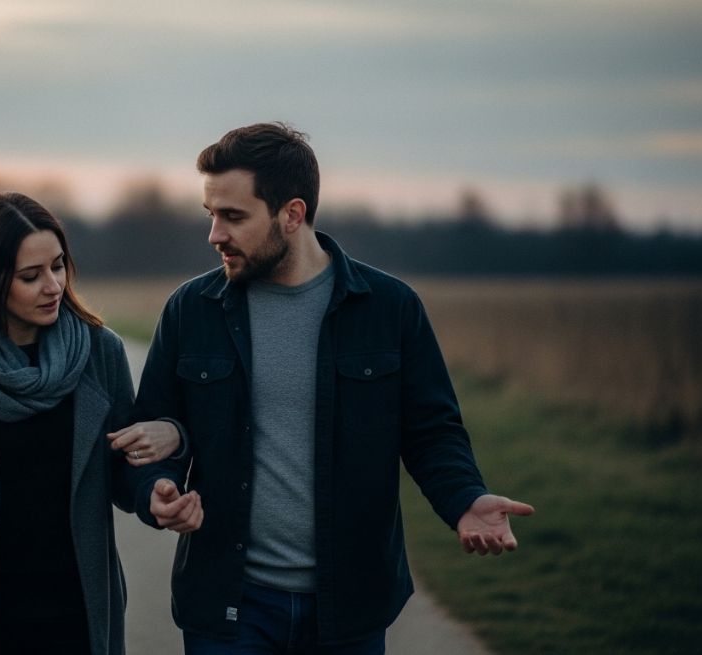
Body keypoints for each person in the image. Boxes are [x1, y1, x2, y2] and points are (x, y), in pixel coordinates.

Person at [121, 123, 535, 654]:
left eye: (234, 216)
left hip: (350, 606)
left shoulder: (389, 309)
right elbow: (157, 426)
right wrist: (158, 490)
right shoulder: (191, 310)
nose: (215, 235)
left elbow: (431, 431)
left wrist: (465, 499)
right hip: (228, 606)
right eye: (211, 215)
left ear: (292, 215)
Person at [0, 192, 182, 655]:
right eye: (31, 276)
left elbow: (125, 469)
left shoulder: (101, 353)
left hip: (77, 614)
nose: (53, 286)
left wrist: (153, 493)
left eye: (58, 266)